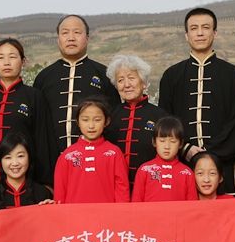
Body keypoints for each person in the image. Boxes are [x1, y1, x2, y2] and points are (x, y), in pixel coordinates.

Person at [159, 7, 235, 194]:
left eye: (205, 27)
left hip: (221, 165)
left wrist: (210, 153)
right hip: (181, 163)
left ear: (215, 33)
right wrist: (186, 148)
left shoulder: (232, 75)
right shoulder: (171, 76)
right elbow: (165, 121)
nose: (199, 33)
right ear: (186, 35)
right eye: (194, 28)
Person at [0, 38, 54, 199]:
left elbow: (43, 140)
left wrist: (45, 182)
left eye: (12, 57)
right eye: (1, 57)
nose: (6, 62)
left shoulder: (34, 96)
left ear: (23, 61)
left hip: (25, 179)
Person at [33, 14, 118, 166]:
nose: (71, 38)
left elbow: (114, 120)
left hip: (95, 163)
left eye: (77, 32)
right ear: (58, 39)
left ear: (87, 38)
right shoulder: (44, 77)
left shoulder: (104, 75)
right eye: (65, 33)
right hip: (51, 163)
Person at [104, 54, 167, 185]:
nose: (127, 85)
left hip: (150, 184)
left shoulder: (160, 116)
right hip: (115, 186)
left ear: (143, 83)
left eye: (131, 78)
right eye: (120, 80)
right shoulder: (110, 115)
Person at [53, 97, 130, 203]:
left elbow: (122, 190)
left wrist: (121, 211)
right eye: (85, 120)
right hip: (74, 212)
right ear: (78, 122)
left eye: (97, 120)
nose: (91, 126)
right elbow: (60, 193)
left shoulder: (114, 153)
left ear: (106, 121)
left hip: (106, 213)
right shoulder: (67, 156)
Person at [0, 133, 54, 211]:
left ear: (29, 158)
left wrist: (51, 210)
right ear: (0, 161)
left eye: (20, 156)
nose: (15, 163)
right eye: (8, 157)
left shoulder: (42, 194)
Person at [131, 117, 197, 202]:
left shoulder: (187, 173)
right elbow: (136, 203)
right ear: (154, 142)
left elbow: (192, 206)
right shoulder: (144, 170)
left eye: (173, 141)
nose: (167, 146)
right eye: (162, 141)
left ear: (180, 144)